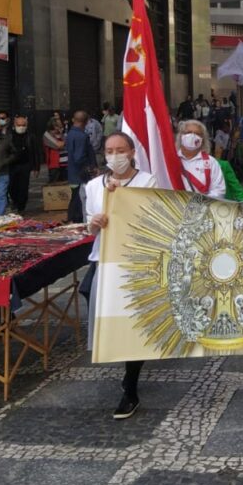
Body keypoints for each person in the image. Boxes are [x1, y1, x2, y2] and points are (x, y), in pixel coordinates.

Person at [83, 132, 158, 419]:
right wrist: (94, 222)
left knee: (133, 322)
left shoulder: (146, 182)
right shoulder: (93, 186)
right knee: (93, 298)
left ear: (132, 152)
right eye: (110, 150)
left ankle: (131, 385)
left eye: (120, 150)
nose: (115, 155)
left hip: (135, 261)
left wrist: (122, 200)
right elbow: (88, 225)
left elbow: (149, 218)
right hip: (104, 259)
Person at [176, 120, 227, 199]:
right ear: (181, 136)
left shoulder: (211, 162)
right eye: (188, 132)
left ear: (202, 139)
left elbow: (219, 191)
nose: (192, 136)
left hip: (201, 208)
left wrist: (198, 202)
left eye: (197, 133)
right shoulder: (171, 160)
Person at [66, 111, 97, 223]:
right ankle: (76, 220)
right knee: (79, 201)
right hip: (81, 175)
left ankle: (72, 219)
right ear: (86, 121)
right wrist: (90, 168)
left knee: (75, 198)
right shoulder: (81, 136)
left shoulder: (70, 134)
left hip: (73, 173)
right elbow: (79, 157)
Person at [8, 115, 40, 215]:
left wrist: (36, 167)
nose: (21, 127)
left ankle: (21, 207)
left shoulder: (31, 136)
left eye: (23, 125)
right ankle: (15, 202)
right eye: (19, 125)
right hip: (12, 165)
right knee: (12, 186)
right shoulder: (9, 136)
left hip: (25, 165)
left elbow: (36, 152)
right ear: (14, 124)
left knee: (23, 186)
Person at [43, 117, 67, 183]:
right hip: (55, 165)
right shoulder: (47, 135)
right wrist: (65, 142)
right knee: (55, 185)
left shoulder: (62, 134)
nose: (60, 126)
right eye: (58, 125)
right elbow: (58, 145)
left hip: (65, 164)